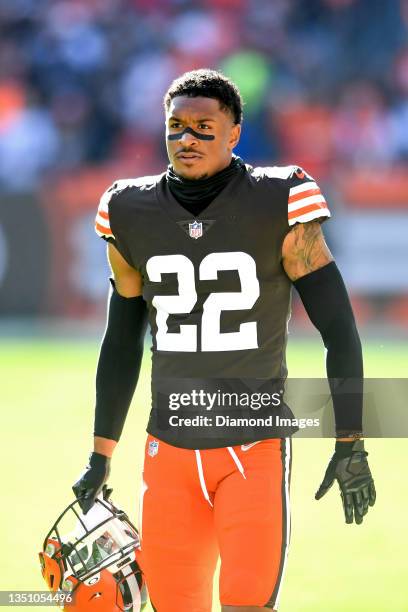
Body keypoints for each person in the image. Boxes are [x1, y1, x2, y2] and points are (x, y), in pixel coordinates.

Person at [73, 69, 376, 612]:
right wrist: (101, 453)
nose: (187, 139)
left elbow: (339, 329)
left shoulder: (280, 197)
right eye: (176, 127)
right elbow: (121, 340)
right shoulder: (128, 209)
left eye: (203, 127)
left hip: (251, 447)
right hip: (166, 449)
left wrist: (350, 440)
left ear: (235, 132)